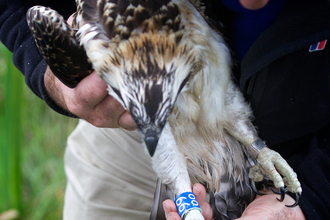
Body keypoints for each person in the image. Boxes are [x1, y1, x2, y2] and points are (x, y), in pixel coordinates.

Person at [0, 0, 329, 219]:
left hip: (288, 138)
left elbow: (219, 94)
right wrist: (56, 72)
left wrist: (312, 194)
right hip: (130, 134)